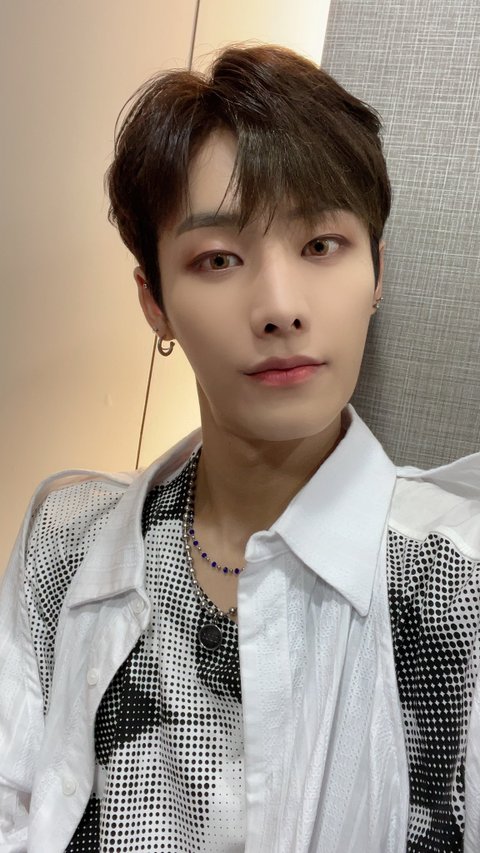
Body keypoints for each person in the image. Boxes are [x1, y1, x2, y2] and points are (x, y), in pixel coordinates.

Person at [0, 43, 479, 853]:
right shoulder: (66, 541)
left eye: (321, 245)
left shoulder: (456, 581)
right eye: (218, 258)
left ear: (377, 273)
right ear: (155, 300)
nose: (280, 306)